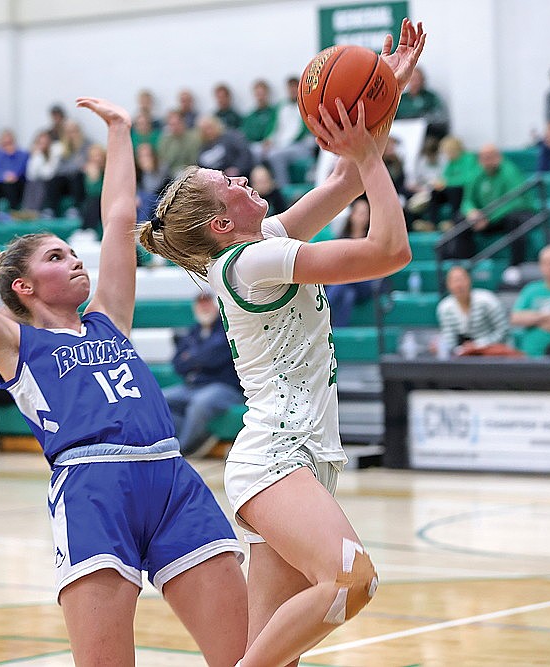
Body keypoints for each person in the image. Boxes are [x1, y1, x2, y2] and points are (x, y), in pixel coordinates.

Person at [0, 98, 248, 666]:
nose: (77, 261)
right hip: (92, 489)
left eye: (73, 253)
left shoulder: (109, 317)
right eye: (58, 257)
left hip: (171, 475)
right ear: (25, 288)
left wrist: (120, 132)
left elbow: (118, 220)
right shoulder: (11, 343)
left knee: (244, 655)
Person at [138, 19, 425, 665]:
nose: (243, 179)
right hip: (277, 456)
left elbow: (345, 183)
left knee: (278, 656)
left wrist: (383, 94)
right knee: (352, 580)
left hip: (298, 453)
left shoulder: (258, 245)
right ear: (222, 222)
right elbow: (390, 250)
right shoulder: (252, 261)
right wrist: (371, 155)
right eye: (230, 185)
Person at [163, 290, 245, 458]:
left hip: (225, 387)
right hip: (192, 386)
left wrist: (192, 357)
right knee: (160, 399)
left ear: (216, 305)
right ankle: (183, 442)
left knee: (201, 403)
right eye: (200, 303)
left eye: (207, 302)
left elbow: (215, 357)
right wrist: (201, 356)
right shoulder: (193, 331)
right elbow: (177, 364)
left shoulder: (228, 328)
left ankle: (182, 450)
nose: (204, 307)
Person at [452, 144, 536, 280]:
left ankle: (515, 266)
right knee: (461, 218)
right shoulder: (476, 173)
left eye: (490, 157)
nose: (487, 161)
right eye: (484, 158)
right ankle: (466, 265)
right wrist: (472, 212)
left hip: (513, 214)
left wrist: (488, 217)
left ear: (499, 157)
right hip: (485, 218)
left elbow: (515, 200)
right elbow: (467, 200)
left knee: (514, 219)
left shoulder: (509, 171)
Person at [325, 196, 388, 327]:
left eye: (366, 214)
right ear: (352, 215)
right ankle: (339, 331)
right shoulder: (341, 239)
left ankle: (324, 307)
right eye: (360, 213)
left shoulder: (374, 239)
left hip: (367, 282)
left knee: (344, 279)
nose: (363, 217)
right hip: (348, 283)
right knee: (348, 295)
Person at [253, 76, 317, 188]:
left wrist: (282, 144)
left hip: (298, 144)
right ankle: (260, 186)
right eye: (290, 87)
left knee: (276, 155)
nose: (292, 90)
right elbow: (273, 126)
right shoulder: (281, 106)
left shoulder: (306, 104)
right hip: (279, 143)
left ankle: (283, 188)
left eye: (295, 87)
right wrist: (268, 140)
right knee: (255, 151)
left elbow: (305, 130)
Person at [436, 265, 510, 356]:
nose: (459, 285)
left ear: (469, 281)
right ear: (448, 285)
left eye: (461, 280)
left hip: (494, 353)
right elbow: (450, 340)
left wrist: (478, 346)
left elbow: (503, 331)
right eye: (454, 281)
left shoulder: (488, 301)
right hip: (463, 356)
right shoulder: (444, 308)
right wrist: (442, 346)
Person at [394, 66, 449, 139]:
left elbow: (440, 116)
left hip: (427, 134)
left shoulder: (431, 97)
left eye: (418, 79)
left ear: (423, 80)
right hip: (403, 135)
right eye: (413, 79)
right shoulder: (401, 99)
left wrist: (422, 119)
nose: (415, 83)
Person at [0, 129, 29, 211]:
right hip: (2, 183)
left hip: (18, 185)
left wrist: (9, 176)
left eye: (10, 143)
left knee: (10, 185)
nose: (7, 146)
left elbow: (18, 172)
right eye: (5, 144)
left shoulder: (22, 154)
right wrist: (3, 176)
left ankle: (14, 210)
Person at [23, 130, 62, 213]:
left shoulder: (54, 153)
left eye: (45, 143)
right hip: (36, 181)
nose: (43, 145)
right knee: (32, 182)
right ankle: (28, 209)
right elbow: (30, 175)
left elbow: (49, 174)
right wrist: (37, 156)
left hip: (51, 181)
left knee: (39, 183)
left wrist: (39, 156)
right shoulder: (36, 155)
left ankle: (36, 209)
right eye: (40, 143)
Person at [157, 109, 201, 177]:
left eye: (177, 123)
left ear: (183, 122)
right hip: (168, 171)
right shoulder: (165, 140)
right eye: (171, 125)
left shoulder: (193, 137)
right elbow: (164, 159)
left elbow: (194, 160)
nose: (174, 127)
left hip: (188, 171)